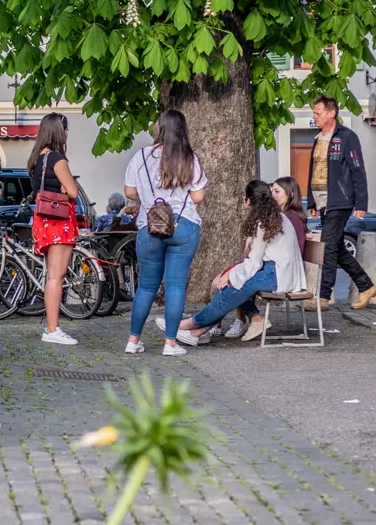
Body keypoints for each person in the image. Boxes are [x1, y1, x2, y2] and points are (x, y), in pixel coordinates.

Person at [180, 181, 306, 346]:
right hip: (281, 272)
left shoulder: (264, 222)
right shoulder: (276, 217)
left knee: (231, 288)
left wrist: (232, 276)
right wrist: (231, 275)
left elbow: (254, 261)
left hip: (276, 274)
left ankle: (189, 325)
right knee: (232, 286)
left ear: (248, 200)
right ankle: (198, 331)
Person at [123, 109, 206, 356]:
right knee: (175, 285)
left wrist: (150, 197)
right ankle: (170, 343)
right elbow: (198, 196)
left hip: (149, 226)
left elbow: (129, 192)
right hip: (183, 226)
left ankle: (133, 340)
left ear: (159, 128)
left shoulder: (140, 156)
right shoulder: (189, 158)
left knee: (146, 287)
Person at [305, 96, 376, 311]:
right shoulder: (318, 138)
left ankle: (323, 297)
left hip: (340, 200)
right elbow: (313, 171)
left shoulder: (347, 137)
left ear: (331, 113)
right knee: (336, 247)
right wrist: (311, 201)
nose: (314, 116)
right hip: (322, 201)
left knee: (327, 247)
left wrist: (361, 203)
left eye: (317, 112)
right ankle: (366, 286)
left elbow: (358, 170)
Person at [28, 113, 84, 346]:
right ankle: (52, 329)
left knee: (52, 275)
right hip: (59, 222)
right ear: (59, 132)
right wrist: (66, 186)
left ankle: (52, 328)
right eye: (66, 129)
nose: (68, 133)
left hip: (43, 221)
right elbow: (73, 191)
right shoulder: (57, 158)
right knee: (56, 277)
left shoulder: (37, 158)